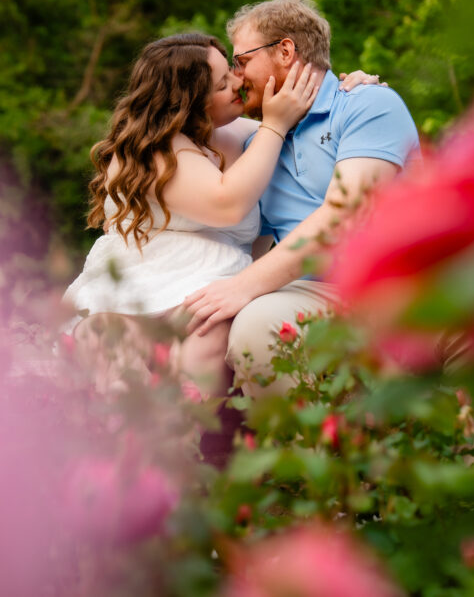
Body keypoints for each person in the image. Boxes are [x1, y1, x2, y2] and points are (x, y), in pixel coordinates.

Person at [62, 33, 377, 395]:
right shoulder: (151, 149)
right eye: (222, 84)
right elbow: (226, 204)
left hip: (214, 289)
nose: (237, 83)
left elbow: (313, 133)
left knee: (204, 344)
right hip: (143, 288)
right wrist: (275, 125)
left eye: (231, 71)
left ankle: (183, 423)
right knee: (108, 340)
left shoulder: (242, 134)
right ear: (188, 103)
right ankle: (125, 414)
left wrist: (351, 95)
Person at [182, 0, 422, 398]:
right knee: (255, 326)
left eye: (241, 61)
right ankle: (302, 440)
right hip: (316, 296)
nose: (237, 78)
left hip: (396, 289)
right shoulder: (261, 144)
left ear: (285, 51)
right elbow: (248, 238)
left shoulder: (367, 104)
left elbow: (345, 215)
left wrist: (243, 286)